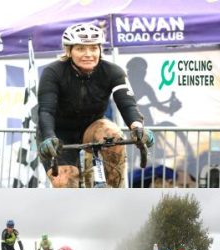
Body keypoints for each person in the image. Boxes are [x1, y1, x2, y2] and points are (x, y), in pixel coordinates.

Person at [37, 22, 155, 188]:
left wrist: (137, 127)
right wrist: (49, 136)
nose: (88, 54)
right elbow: (46, 110)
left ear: (100, 50)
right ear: (69, 51)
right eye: (80, 48)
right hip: (58, 132)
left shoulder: (113, 71)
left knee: (112, 133)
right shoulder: (53, 72)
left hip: (92, 126)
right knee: (66, 183)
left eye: (93, 48)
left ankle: (114, 193)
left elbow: (127, 104)